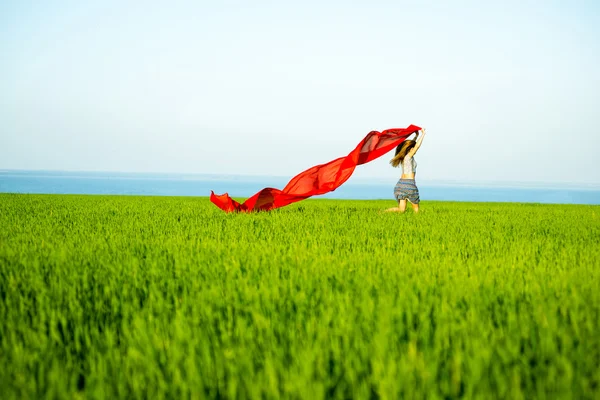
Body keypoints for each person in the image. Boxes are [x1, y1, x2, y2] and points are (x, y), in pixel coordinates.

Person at [386, 128, 426, 213]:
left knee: (401, 210)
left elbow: (412, 145)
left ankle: (383, 213)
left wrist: (416, 136)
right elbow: (416, 146)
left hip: (400, 185)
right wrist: (423, 134)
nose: (414, 150)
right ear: (411, 149)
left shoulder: (404, 158)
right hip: (409, 184)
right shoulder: (408, 157)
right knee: (416, 210)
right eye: (413, 148)